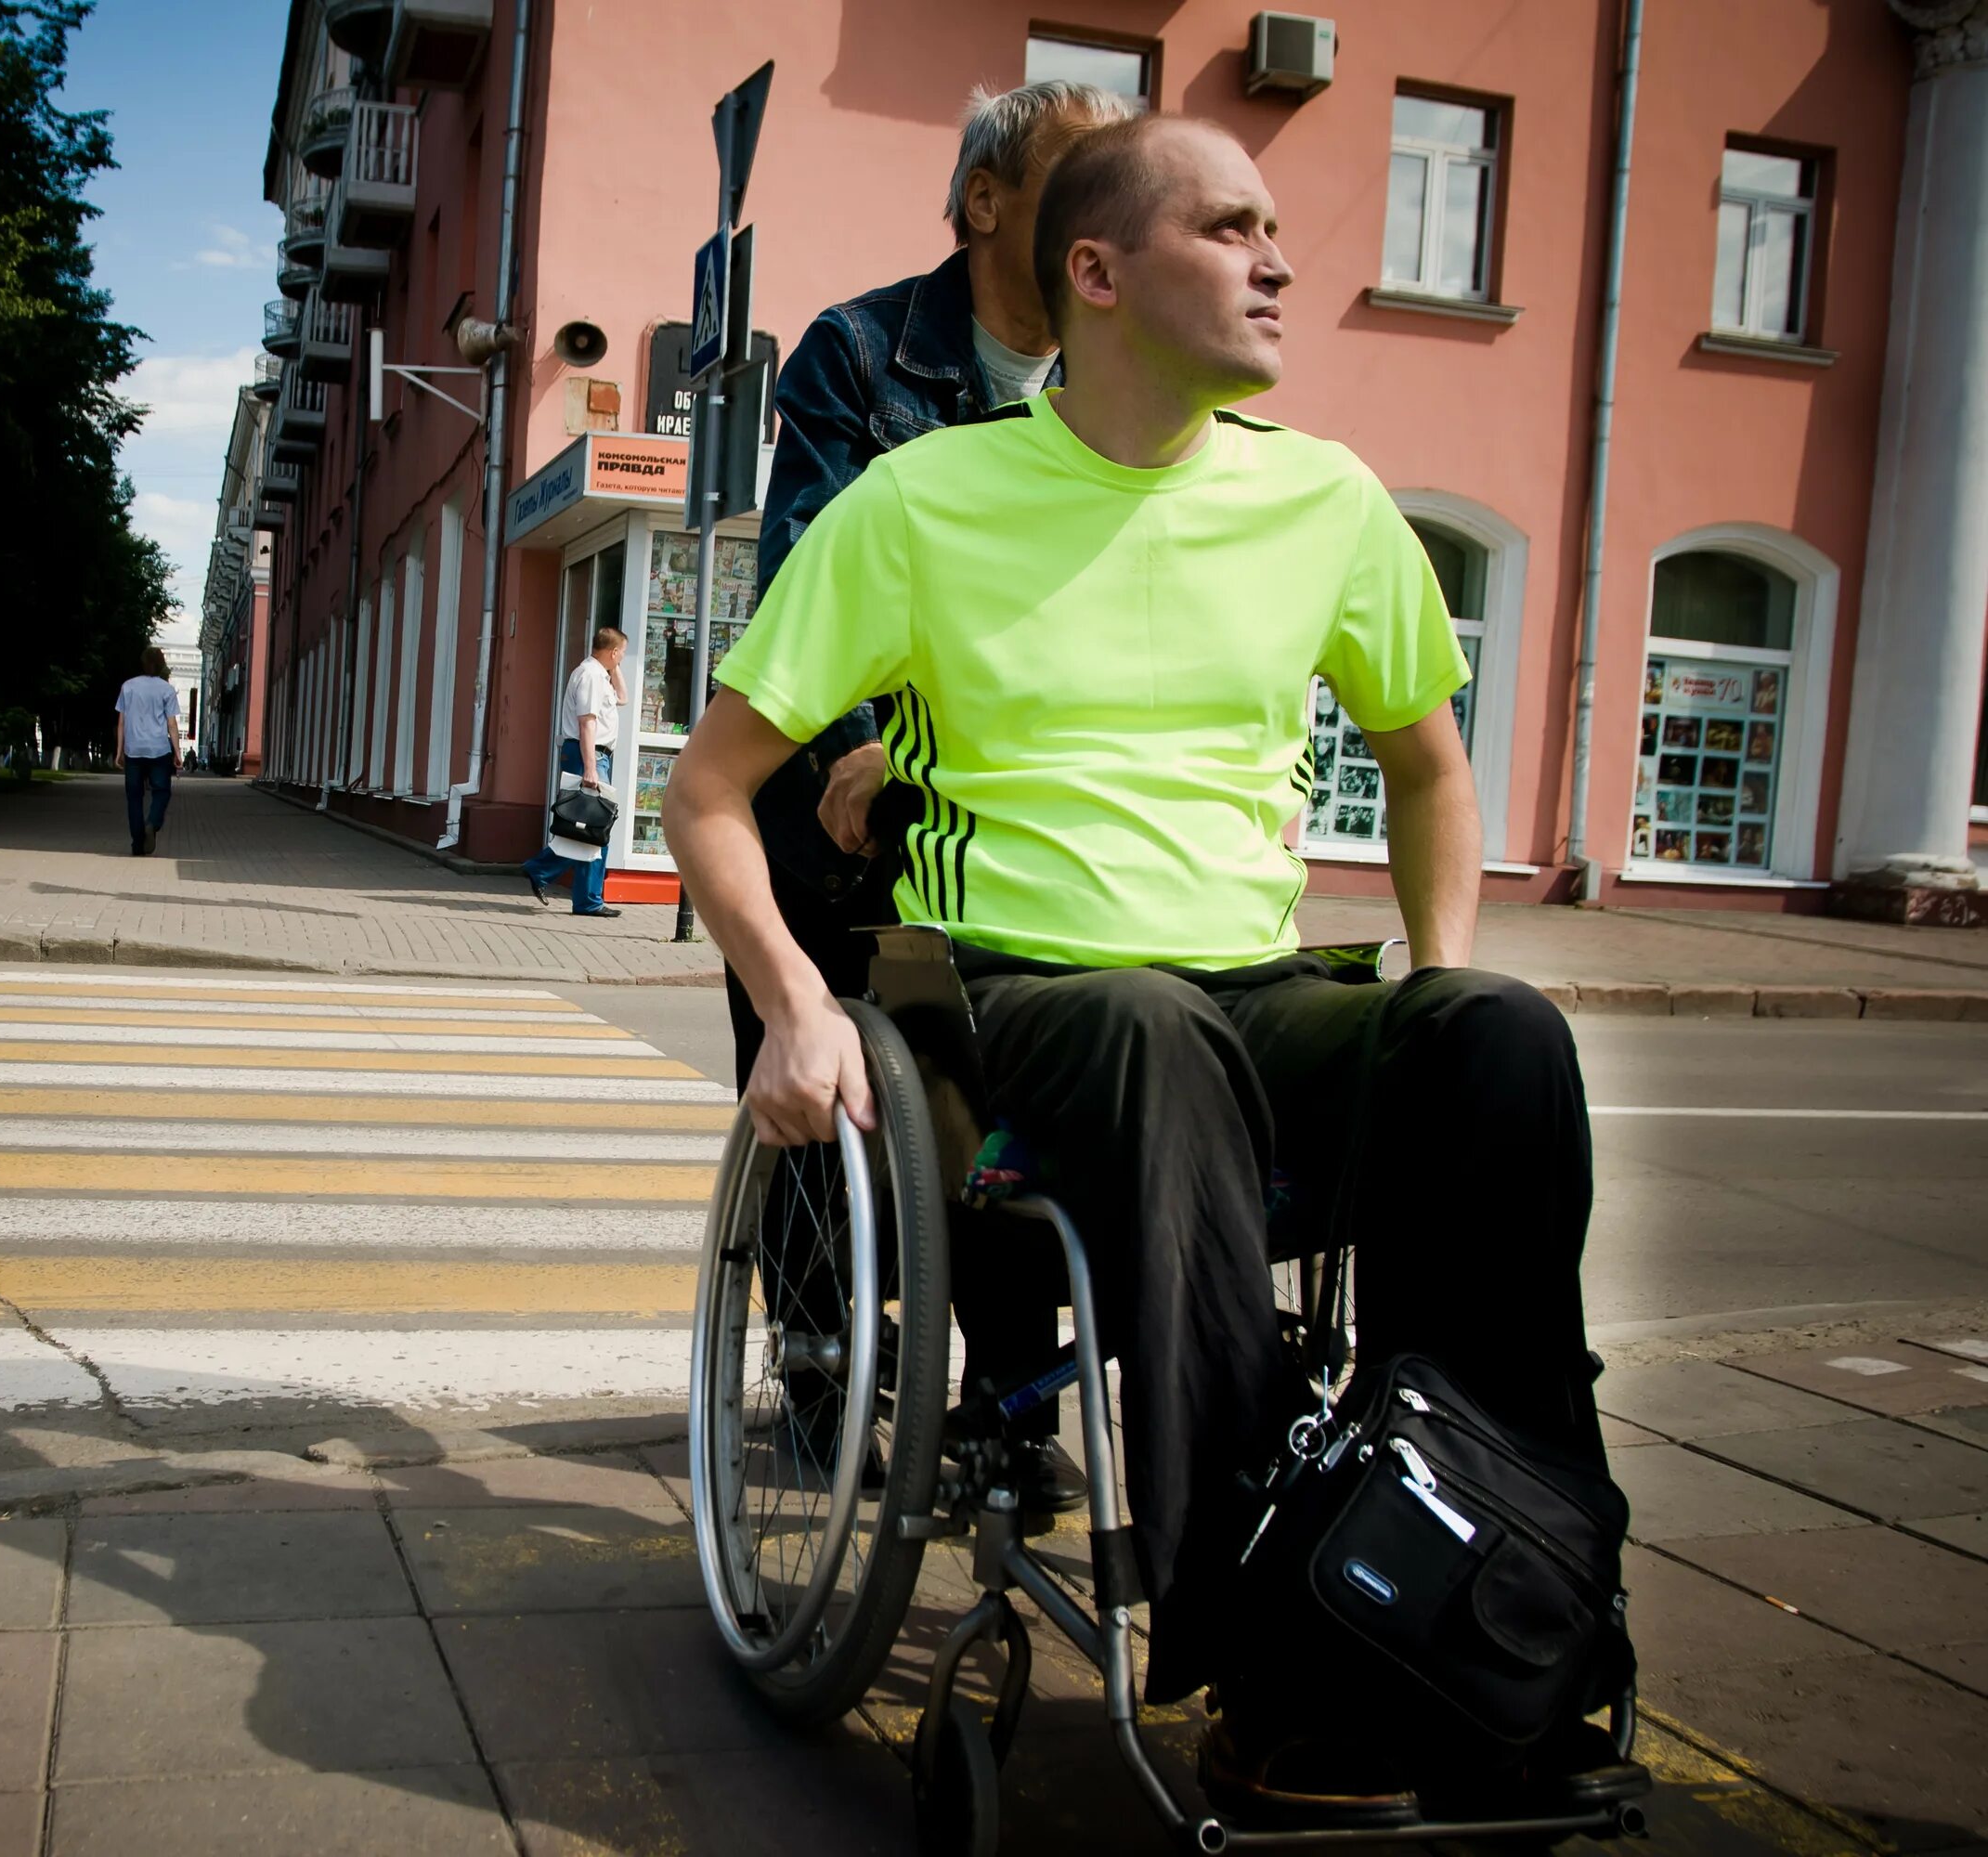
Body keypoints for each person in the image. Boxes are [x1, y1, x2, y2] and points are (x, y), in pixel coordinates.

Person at [664, 113, 1631, 1823]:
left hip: (1254, 989)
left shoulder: (1323, 500)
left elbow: (1430, 768)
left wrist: (1439, 974)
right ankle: (1270, 1657)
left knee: (1498, 1039)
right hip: (1028, 997)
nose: (1281, 259)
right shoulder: (920, 505)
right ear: (1097, 273)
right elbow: (713, 787)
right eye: (1233, 227)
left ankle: (1518, 1590)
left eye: (1277, 229)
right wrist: (799, 1009)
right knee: (1144, 1021)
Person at [743, 76, 1135, 1517]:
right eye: (1086, 181)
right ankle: (823, 1345)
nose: (1117, 217)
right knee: (823, 1082)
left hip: (1003, 810)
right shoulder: (861, 353)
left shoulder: (1122, 379)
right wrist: (849, 740)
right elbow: (807, 565)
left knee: (1009, 1092)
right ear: (986, 202)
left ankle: (1012, 1396)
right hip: (840, 801)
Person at [519, 624, 628, 918]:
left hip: (593, 755)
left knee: (589, 827)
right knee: (594, 828)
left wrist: (614, 667)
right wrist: (591, 766)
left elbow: (622, 697)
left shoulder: (599, 674)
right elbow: (587, 723)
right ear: (614, 651)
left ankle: (581, 896)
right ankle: (573, 890)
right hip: (588, 755)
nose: (622, 660)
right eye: (621, 655)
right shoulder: (591, 676)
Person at [114, 644, 182, 856]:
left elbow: (121, 722)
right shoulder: (166, 690)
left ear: (142, 663)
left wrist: (119, 751)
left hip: (133, 750)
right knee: (162, 791)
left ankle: (137, 844)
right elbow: (171, 724)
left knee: (134, 796)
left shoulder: (128, 686)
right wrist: (177, 752)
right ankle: (152, 823)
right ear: (161, 665)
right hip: (159, 750)